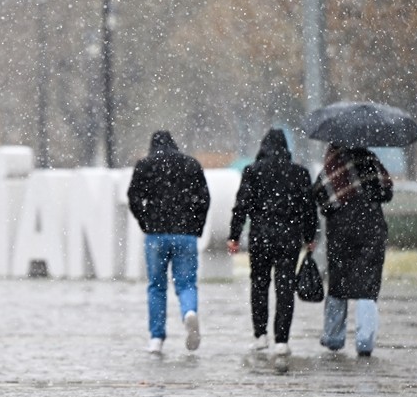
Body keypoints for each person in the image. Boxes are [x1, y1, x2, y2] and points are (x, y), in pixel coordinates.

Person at [227, 129, 318, 358]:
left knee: (259, 284)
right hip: (289, 238)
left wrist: (234, 235)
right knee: (285, 287)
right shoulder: (299, 173)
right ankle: (282, 340)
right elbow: (309, 209)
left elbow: (242, 205)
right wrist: (310, 236)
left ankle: (260, 335)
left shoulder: (253, 172)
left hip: (260, 237)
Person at [127, 131, 211, 355]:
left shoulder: (145, 165)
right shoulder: (190, 165)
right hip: (185, 235)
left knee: (156, 286)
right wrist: (196, 226)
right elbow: (204, 198)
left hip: (156, 234)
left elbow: (133, 197)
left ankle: (156, 338)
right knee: (186, 284)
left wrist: (146, 221)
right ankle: (189, 313)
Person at [313, 142, 393, 357]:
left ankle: (333, 337)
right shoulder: (370, 161)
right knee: (368, 286)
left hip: (341, 231)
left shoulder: (330, 168)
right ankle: (365, 341)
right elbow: (387, 192)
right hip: (372, 228)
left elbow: (322, 200)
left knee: (338, 285)